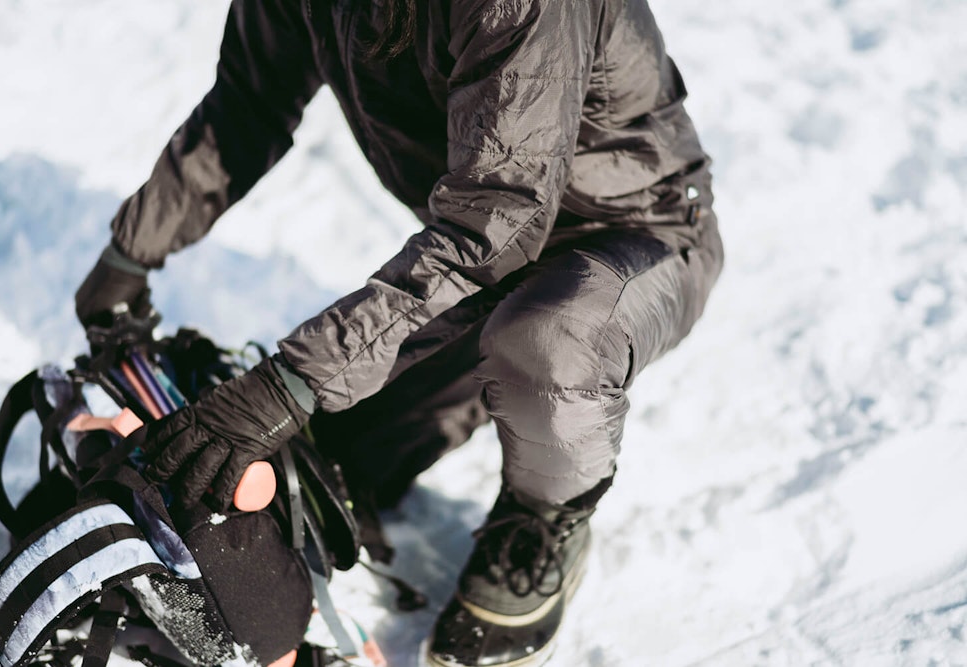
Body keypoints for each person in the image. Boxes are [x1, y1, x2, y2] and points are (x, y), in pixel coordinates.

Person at [74, 0, 724, 665]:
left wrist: (285, 384)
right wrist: (131, 252)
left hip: (635, 235)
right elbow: (248, 103)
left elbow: (495, 222)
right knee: (344, 459)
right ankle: (484, 355)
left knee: (549, 348)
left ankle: (542, 525)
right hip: (488, 259)